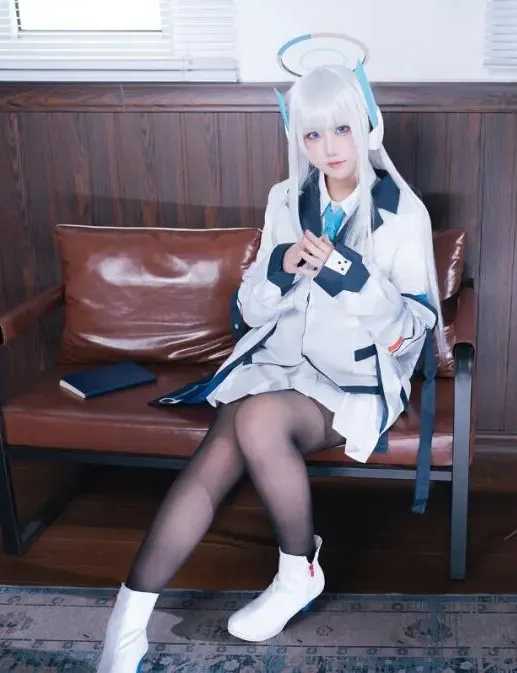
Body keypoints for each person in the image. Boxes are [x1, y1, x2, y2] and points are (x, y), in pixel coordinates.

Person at [95, 62, 446, 672]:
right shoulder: (286, 199)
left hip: (351, 383)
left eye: (341, 129)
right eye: (312, 134)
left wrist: (353, 280)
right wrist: (281, 267)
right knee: (227, 440)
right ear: (296, 137)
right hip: (277, 365)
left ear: (367, 124)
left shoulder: (403, 214)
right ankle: (126, 624)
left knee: (253, 421)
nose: (329, 148)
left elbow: (411, 335)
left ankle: (294, 572)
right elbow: (251, 310)